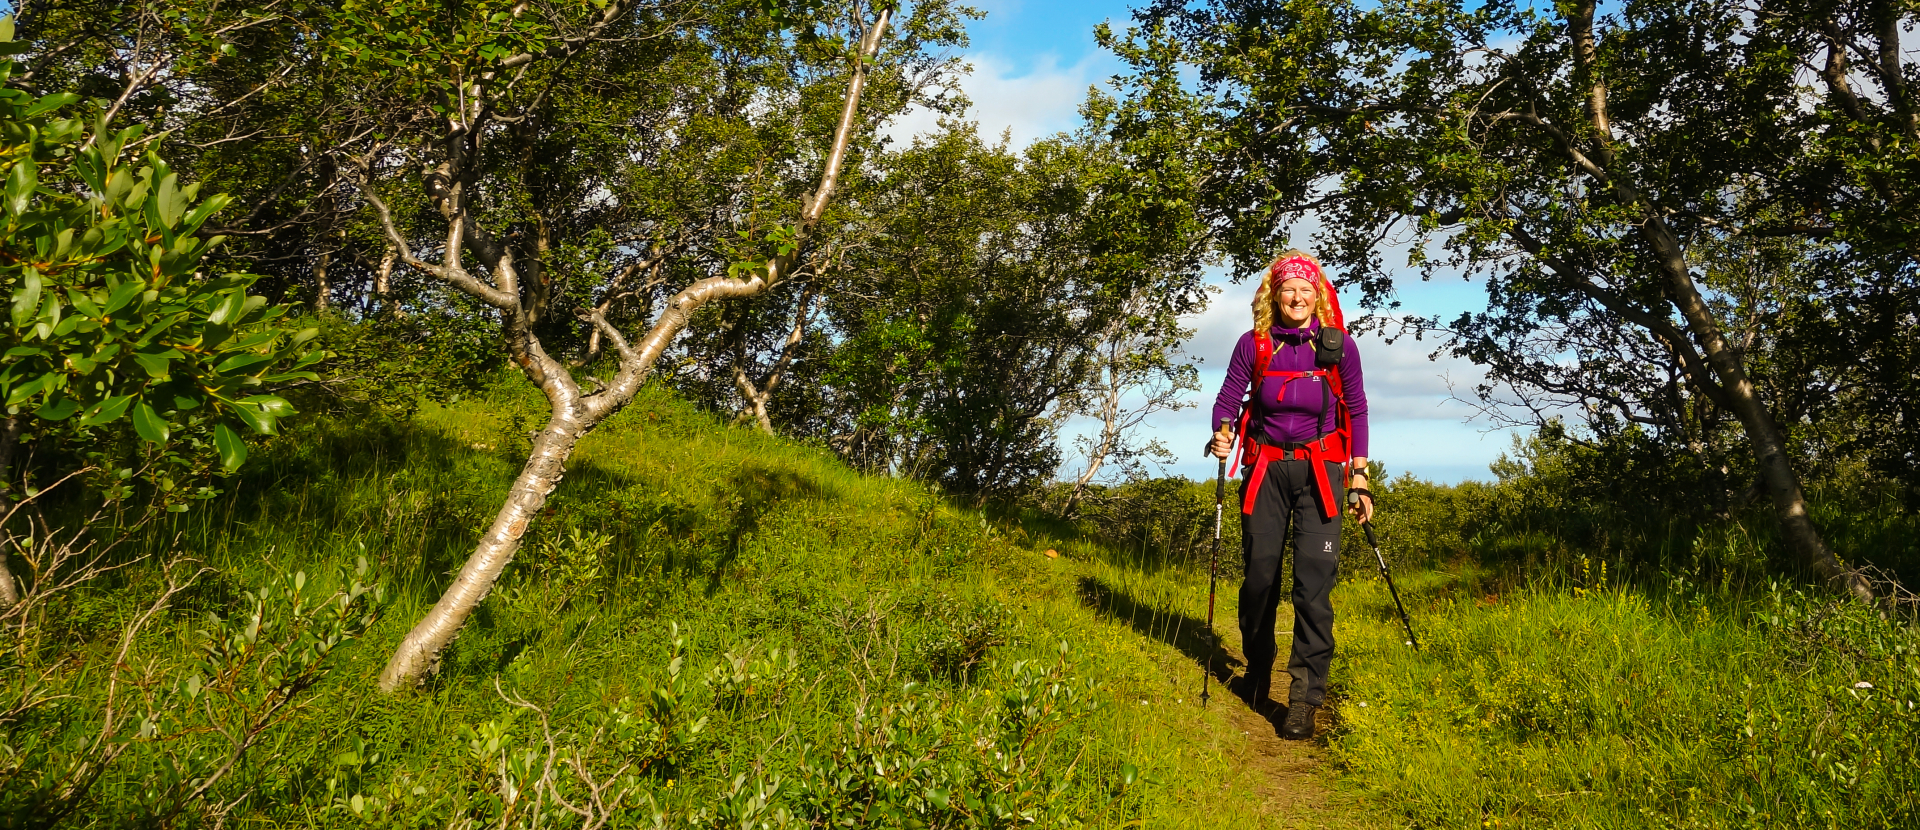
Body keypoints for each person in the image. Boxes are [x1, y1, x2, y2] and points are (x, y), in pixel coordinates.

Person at [1208, 250, 1372, 740]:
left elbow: (1357, 409)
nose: (1297, 298)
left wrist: (1360, 477)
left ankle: (1304, 699)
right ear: (1274, 295)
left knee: (1313, 588)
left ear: (1317, 295)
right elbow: (1228, 398)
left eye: (1305, 289)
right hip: (1265, 471)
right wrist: (1221, 432)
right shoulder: (1254, 344)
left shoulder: (1338, 346)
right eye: (1288, 289)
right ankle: (1258, 671)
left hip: (1322, 473)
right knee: (1259, 580)